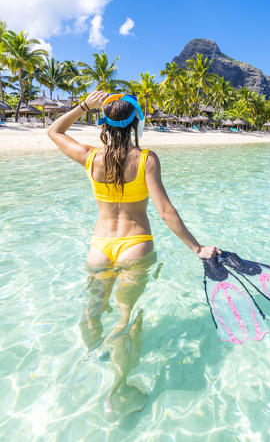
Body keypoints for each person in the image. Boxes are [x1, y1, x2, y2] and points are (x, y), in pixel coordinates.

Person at [47, 90, 220, 413]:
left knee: (92, 311)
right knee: (125, 319)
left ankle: (93, 360)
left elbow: (53, 131)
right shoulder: (145, 159)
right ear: (135, 122)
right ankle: (118, 390)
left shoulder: (90, 157)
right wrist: (197, 248)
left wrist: (83, 105)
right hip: (135, 247)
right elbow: (166, 211)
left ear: (103, 123)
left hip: (99, 249)